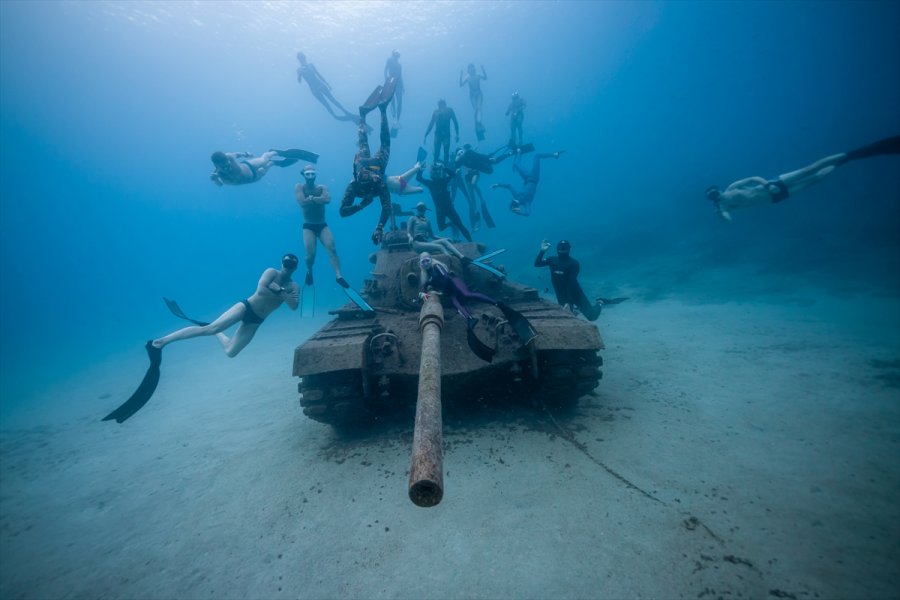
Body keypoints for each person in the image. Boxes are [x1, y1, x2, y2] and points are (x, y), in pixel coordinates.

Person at [705, 135, 900, 221]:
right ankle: (842, 163)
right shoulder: (723, 207)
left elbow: (754, 177)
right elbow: (729, 218)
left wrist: (767, 184)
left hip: (772, 186)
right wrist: (722, 216)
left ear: (718, 189)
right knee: (815, 180)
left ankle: (849, 155)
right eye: (711, 196)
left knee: (809, 169)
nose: (715, 195)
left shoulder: (731, 188)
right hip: (775, 199)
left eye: (714, 192)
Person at [152, 255, 300, 356]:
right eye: (286, 264)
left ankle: (218, 332)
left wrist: (278, 290)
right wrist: (283, 293)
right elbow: (261, 290)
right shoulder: (271, 272)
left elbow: (294, 307)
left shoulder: (293, 286)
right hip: (246, 307)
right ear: (282, 263)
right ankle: (162, 341)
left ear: (295, 268)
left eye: (291, 265)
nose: (287, 267)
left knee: (231, 352)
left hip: (257, 320)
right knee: (209, 329)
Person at [339, 82, 396, 245]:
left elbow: (343, 211)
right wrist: (378, 226)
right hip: (367, 164)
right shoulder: (370, 183)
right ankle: (368, 114)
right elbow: (386, 207)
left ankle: (376, 111)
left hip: (371, 164)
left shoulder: (359, 185)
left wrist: (363, 206)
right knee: (370, 143)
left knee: (379, 143)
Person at [534, 240, 623, 322]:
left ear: (569, 250)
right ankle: (575, 310)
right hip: (561, 294)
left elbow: (571, 283)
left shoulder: (573, 263)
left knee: (592, 317)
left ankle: (600, 302)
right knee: (568, 318)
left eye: (564, 250)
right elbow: (537, 264)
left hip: (575, 293)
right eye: (561, 249)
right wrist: (542, 251)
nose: (562, 251)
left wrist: (568, 302)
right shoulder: (552, 260)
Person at [295, 164, 344, 286]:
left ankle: (339, 275)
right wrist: (318, 199)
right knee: (310, 255)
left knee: (332, 248)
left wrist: (311, 199)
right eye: (308, 174)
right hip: (308, 226)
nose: (310, 176)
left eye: (312, 174)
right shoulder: (299, 187)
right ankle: (309, 271)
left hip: (322, 225)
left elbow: (327, 200)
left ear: (316, 175)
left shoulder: (322, 187)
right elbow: (302, 203)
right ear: (303, 175)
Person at [491, 150, 563, 216]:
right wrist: (517, 212)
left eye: (513, 201)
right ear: (517, 205)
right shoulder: (526, 203)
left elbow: (509, 186)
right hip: (534, 178)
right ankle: (555, 154)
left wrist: (497, 185)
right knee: (537, 156)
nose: (515, 200)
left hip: (527, 178)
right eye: (515, 202)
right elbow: (528, 213)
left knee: (516, 163)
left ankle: (519, 151)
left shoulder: (516, 196)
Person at [416, 162, 472, 242]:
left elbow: (453, 175)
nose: (436, 174)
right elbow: (418, 178)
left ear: (440, 173)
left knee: (460, 226)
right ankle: (451, 224)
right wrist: (420, 169)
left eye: (437, 172)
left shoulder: (443, 181)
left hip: (449, 209)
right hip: (440, 211)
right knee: (441, 228)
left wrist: (444, 167)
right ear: (432, 174)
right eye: (434, 172)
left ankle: (471, 242)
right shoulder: (430, 183)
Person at [296, 52, 357, 123]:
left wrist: (327, 84)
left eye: (302, 57)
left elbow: (319, 75)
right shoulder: (299, 69)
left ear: (304, 57)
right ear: (299, 60)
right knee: (326, 105)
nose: (302, 59)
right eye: (300, 58)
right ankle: (337, 117)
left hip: (321, 85)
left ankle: (347, 112)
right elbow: (299, 81)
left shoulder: (311, 65)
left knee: (333, 100)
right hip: (314, 90)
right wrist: (299, 74)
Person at [209, 149, 313, 186]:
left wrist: (245, 154)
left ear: (227, 160)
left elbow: (236, 154)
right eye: (223, 168)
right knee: (267, 167)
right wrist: (215, 180)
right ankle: (274, 163)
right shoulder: (217, 175)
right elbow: (220, 185)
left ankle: (275, 152)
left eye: (227, 165)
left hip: (248, 166)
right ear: (216, 166)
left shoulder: (229, 157)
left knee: (264, 160)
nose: (227, 168)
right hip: (254, 178)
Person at [423, 99, 460, 165]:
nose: (441, 107)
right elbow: (431, 124)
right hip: (440, 134)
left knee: (444, 152)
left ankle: (442, 165)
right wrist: (425, 135)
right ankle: (437, 165)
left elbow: (455, 122)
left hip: (444, 135)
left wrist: (457, 134)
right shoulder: (437, 112)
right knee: (439, 152)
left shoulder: (448, 110)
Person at [459, 63, 487, 134]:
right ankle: (478, 123)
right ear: (468, 70)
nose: (472, 70)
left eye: (472, 68)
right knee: (476, 110)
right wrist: (461, 75)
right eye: (470, 68)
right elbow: (461, 85)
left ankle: (479, 122)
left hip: (479, 94)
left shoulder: (478, 75)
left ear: (474, 69)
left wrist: (483, 70)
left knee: (479, 108)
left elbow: (485, 78)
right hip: (472, 96)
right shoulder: (467, 77)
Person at [384, 50, 404, 126]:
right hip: (391, 82)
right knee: (392, 101)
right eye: (396, 55)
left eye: (398, 55)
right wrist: (386, 80)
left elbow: (401, 76)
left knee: (400, 102)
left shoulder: (400, 65)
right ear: (393, 54)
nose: (397, 57)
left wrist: (403, 86)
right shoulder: (389, 60)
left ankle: (397, 119)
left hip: (398, 84)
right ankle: (394, 118)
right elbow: (385, 70)